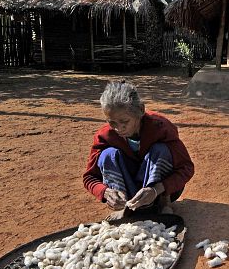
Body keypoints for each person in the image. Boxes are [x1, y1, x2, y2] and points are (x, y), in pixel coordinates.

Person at [83, 80, 194, 218]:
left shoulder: (160, 127)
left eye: (124, 122)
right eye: (112, 122)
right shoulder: (105, 136)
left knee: (161, 150)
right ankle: (123, 207)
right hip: (129, 190)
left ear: (140, 110)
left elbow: (186, 168)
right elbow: (89, 177)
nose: (118, 128)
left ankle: (164, 202)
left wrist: (156, 190)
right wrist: (105, 192)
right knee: (108, 155)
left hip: (161, 189)